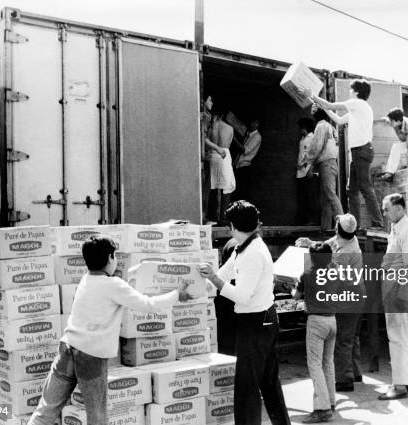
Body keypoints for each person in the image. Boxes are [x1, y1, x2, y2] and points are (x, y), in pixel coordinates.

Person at [27, 236, 191, 425]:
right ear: (110, 258)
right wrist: (177, 295)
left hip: (67, 349)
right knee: (96, 416)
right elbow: (147, 304)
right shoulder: (113, 284)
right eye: (115, 256)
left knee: (47, 409)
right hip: (90, 358)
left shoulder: (85, 280)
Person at [198, 201, 290, 425]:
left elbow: (242, 296)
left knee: (247, 385)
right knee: (268, 381)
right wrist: (204, 284)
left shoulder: (253, 253)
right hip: (262, 320)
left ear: (233, 226)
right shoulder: (244, 247)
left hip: (257, 322)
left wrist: (214, 280)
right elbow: (224, 272)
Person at [299, 80, 383, 230]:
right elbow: (338, 120)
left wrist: (311, 96)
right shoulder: (356, 111)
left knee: (365, 187)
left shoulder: (358, 103)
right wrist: (323, 108)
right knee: (351, 190)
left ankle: (377, 222)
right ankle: (354, 225)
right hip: (358, 151)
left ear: (356, 92)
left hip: (362, 150)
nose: (349, 92)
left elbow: (331, 106)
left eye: (351, 90)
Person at [296, 213, 365, 392]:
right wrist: (311, 242)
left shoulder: (344, 253)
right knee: (352, 335)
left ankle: (344, 379)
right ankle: (355, 371)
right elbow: (330, 244)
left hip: (349, 295)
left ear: (337, 228)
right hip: (357, 295)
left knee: (343, 337)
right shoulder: (349, 239)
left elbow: (331, 272)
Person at [378, 193, 408, 400]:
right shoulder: (397, 228)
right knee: (402, 335)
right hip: (393, 287)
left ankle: (399, 384)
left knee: (396, 337)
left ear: (399, 209)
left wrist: (400, 293)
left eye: (386, 209)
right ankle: (407, 379)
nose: (384, 213)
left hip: (398, 289)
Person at [294, 243, 337, 423]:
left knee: (314, 364)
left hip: (316, 321)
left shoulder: (307, 275)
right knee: (328, 362)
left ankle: (322, 408)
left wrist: (293, 286)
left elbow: (296, 295)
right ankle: (331, 401)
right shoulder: (334, 272)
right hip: (332, 320)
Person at [306, 106, 344, 231]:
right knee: (326, 199)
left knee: (330, 195)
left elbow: (317, 146)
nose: (311, 111)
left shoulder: (321, 126)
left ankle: (344, 225)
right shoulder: (331, 127)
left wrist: (310, 162)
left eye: (313, 109)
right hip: (331, 163)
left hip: (326, 164)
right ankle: (326, 228)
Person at [379, 108, 408, 182]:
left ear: (398, 121)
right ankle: (390, 171)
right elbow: (386, 120)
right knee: (397, 147)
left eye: (391, 121)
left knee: (399, 148)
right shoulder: (395, 121)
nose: (389, 122)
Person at [207, 108, 236, 223]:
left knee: (213, 187)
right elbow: (228, 144)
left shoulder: (211, 127)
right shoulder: (229, 128)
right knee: (227, 186)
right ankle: (224, 217)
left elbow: (207, 141)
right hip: (224, 155)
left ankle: (212, 216)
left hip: (213, 155)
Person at [296, 117, 320, 225]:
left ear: (304, 128)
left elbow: (313, 155)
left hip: (307, 170)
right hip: (301, 172)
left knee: (311, 196)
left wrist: (310, 168)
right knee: (303, 197)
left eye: (301, 128)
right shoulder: (303, 138)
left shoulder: (312, 138)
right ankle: (304, 220)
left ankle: (313, 220)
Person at [233, 119, 262, 203]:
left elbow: (245, 150)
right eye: (251, 121)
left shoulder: (257, 136)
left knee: (241, 192)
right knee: (237, 192)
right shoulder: (248, 134)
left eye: (254, 122)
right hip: (238, 166)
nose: (251, 124)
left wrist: (234, 139)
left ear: (257, 124)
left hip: (244, 167)